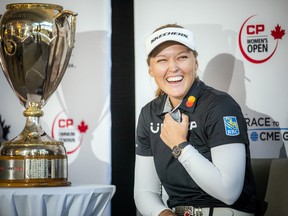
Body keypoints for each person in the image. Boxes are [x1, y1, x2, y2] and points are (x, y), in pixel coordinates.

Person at [134, 24, 264, 216]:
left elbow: (228, 193)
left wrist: (180, 146)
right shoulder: (149, 114)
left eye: (182, 57)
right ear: (150, 70)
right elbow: (145, 192)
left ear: (195, 63)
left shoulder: (220, 106)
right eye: (162, 60)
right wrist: (162, 214)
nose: (173, 67)